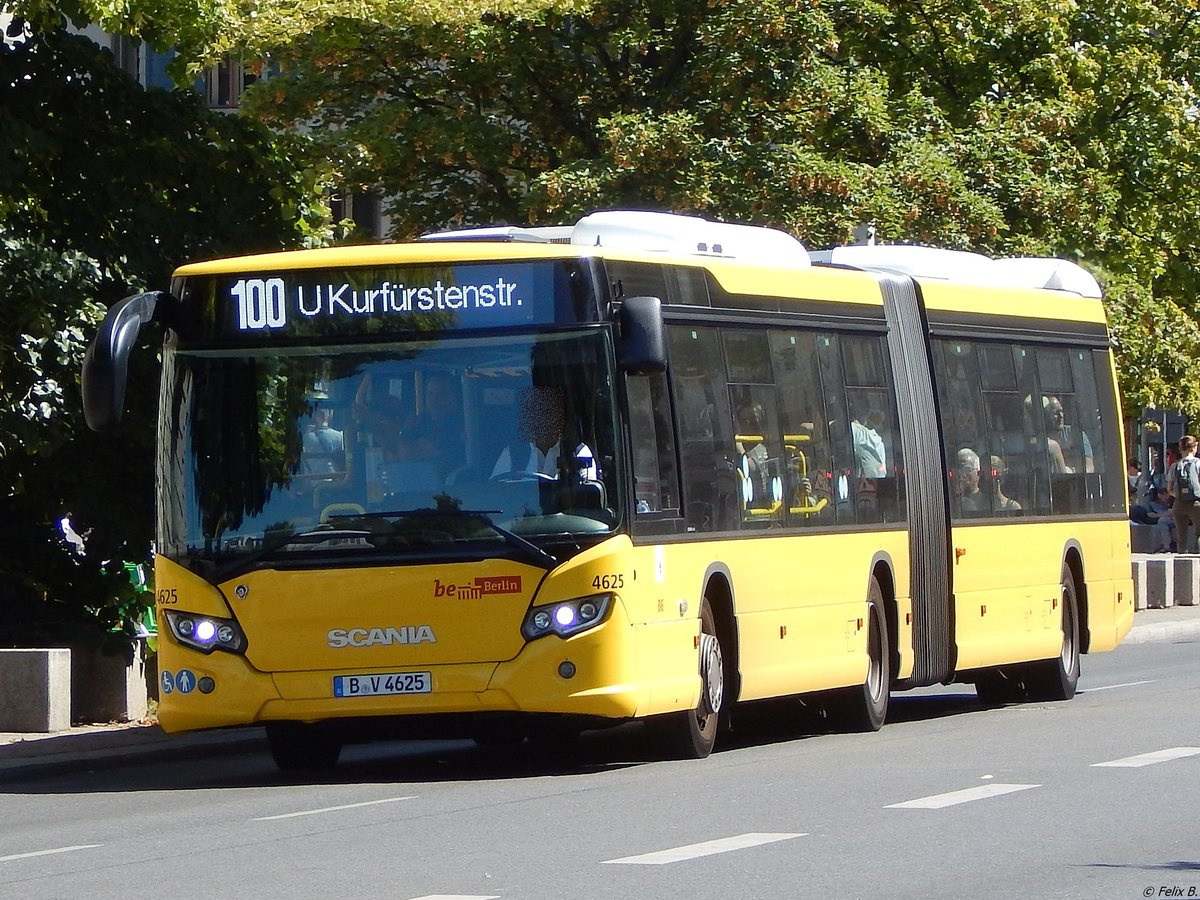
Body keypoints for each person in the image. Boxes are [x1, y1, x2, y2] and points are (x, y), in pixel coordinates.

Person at [492, 386, 567, 478]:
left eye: (547, 412)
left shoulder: (575, 450)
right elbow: (496, 485)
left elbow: (587, 483)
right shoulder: (512, 452)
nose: (541, 419)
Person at [1167, 434, 1200, 553]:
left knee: (1181, 535)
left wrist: (1180, 496)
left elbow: (1169, 489)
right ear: (1194, 447)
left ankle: (1181, 562)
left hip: (1179, 504)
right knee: (1199, 532)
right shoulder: (1198, 463)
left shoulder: (1175, 465)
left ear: (1181, 449)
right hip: (1196, 503)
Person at [301, 406, 344, 474]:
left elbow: (304, 463)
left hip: (315, 482)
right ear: (330, 414)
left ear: (314, 415)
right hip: (336, 481)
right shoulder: (340, 436)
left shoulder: (306, 437)